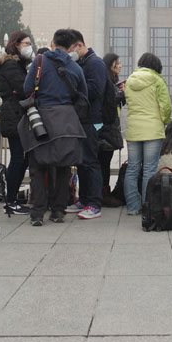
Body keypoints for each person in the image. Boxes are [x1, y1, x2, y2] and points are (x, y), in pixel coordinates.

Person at [20, 29, 88, 226]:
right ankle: (58, 210)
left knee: (38, 167)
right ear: (72, 46)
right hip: (67, 121)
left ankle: (38, 213)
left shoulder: (40, 62)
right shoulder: (75, 68)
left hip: (41, 119)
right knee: (63, 167)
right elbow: (83, 94)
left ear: (53, 43)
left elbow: (26, 89)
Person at [123, 53, 171, 215]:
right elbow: (165, 107)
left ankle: (132, 207)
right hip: (152, 129)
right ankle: (147, 206)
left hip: (133, 129)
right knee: (149, 170)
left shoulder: (129, 80)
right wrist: (165, 121)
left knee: (132, 169)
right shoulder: (158, 81)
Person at [66, 30, 106, 220]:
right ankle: (83, 199)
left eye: (71, 49)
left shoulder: (95, 63)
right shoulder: (81, 63)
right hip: (81, 118)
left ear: (79, 46)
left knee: (91, 162)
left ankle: (94, 203)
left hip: (92, 119)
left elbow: (96, 90)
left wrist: (74, 85)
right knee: (81, 161)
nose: (69, 53)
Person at [0, 30, 33, 215]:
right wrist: (26, 88)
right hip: (14, 117)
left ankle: (12, 199)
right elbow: (25, 88)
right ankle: (10, 200)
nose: (29, 46)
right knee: (18, 159)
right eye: (25, 43)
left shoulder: (19, 65)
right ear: (16, 45)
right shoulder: (11, 65)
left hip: (16, 115)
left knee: (21, 159)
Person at [99, 52, 124, 208]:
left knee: (104, 162)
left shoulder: (110, 80)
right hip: (105, 129)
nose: (120, 65)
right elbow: (109, 101)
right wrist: (123, 94)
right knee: (103, 162)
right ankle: (103, 194)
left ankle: (103, 193)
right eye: (117, 63)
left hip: (109, 127)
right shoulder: (105, 80)